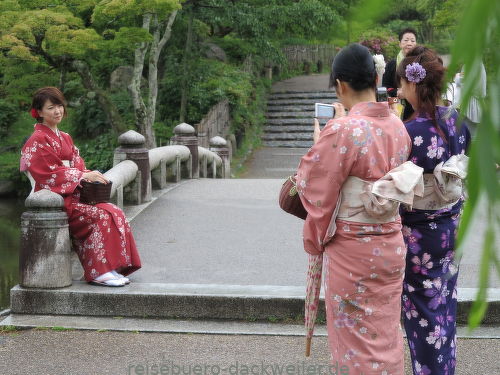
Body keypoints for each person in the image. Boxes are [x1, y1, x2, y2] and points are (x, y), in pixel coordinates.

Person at [297, 44, 423, 374]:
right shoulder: (398, 127)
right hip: (390, 244)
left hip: (352, 250)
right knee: (384, 335)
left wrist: (321, 139)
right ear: (377, 76)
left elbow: (313, 184)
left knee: (354, 343)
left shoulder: (343, 130)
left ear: (340, 86)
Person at [396, 46, 471, 375]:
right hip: (451, 227)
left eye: (401, 84)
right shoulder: (455, 121)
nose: (399, 91)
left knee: (422, 313)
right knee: (444, 306)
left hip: (418, 236)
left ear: (413, 84)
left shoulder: (409, 133)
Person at [20, 87, 141, 287]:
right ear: (39, 112)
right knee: (100, 216)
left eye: (59, 105)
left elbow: (78, 164)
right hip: (56, 201)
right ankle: (98, 273)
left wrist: (88, 174)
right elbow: (48, 174)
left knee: (114, 211)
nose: (57, 111)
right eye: (51, 107)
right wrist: (82, 175)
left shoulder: (65, 137)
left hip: (73, 195)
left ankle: (113, 267)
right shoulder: (37, 140)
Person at [382, 27, 418, 120]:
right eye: (406, 40)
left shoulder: (421, 63)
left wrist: (409, 93)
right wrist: (396, 92)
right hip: (397, 109)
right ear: (400, 44)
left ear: (416, 44)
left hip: (417, 110)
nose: (409, 43)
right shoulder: (391, 64)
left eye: (412, 41)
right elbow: (385, 87)